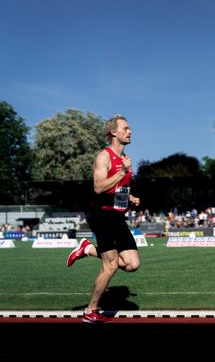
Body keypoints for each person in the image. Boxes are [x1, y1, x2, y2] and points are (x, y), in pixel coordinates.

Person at [66, 114, 141, 323]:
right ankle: (91, 311)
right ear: (113, 132)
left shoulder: (125, 159)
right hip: (101, 215)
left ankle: (87, 249)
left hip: (117, 215)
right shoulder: (104, 157)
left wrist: (130, 196)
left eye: (130, 128)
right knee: (111, 265)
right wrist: (122, 172)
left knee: (132, 264)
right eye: (126, 128)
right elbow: (99, 187)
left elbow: (118, 188)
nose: (130, 131)